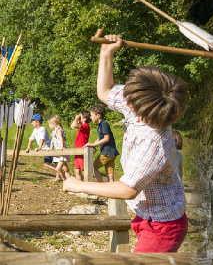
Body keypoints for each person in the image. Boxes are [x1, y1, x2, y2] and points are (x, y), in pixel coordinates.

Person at [63, 34, 189, 253]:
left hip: (162, 226)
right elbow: (105, 91)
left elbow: (127, 189)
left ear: (141, 108)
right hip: (148, 216)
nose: (123, 97)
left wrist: (79, 185)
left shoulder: (154, 141)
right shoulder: (141, 105)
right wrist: (107, 53)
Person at [84, 104, 118, 183]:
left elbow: (106, 138)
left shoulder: (104, 124)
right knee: (110, 173)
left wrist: (93, 144)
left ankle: (101, 185)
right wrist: (95, 142)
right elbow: (101, 137)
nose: (90, 117)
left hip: (107, 152)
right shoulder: (100, 125)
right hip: (111, 152)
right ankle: (111, 191)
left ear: (98, 115)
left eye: (92, 115)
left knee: (92, 167)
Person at [48, 115, 71, 182]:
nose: (49, 126)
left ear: (54, 124)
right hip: (57, 150)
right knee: (65, 167)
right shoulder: (54, 131)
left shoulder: (59, 130)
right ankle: (68, 180)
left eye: (50, 124)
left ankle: (65, 181)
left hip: (61, 150)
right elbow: (52, 140)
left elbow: (61, 138)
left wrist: (62, 146)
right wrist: (51, 147)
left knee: (58, 168)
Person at [70, 111, 91, 180]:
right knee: (76, 169)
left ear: (84, 119)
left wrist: (76, 118)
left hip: (82, 151)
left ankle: (87, 184)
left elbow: (74, 125)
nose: (78, 119)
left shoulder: (86, 126)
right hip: (77, 151)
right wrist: (78, 118)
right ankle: (79, 186)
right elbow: (72, 126)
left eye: (80, 117)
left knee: (84, 169)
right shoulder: (82, 126)